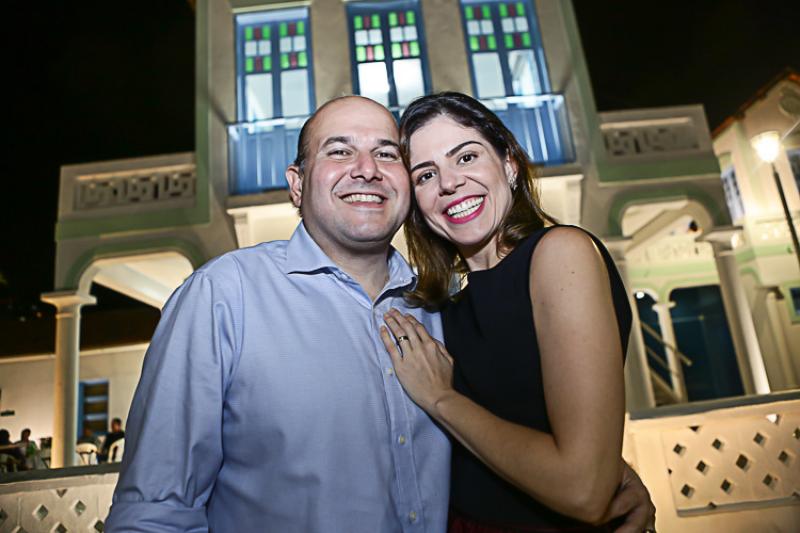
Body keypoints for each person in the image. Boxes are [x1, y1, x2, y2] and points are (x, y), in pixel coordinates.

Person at [106, 95, 653, 533]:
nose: (366, 170)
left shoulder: (433, 306)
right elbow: (155, 508)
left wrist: (607, 472)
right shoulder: (223, 296)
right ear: (297, 184)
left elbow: (527, 421)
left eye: (387, 154)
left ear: (509, 164)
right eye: (339, 151)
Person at [379, 92, 650, 532]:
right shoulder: (444, 308)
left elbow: (583, 490)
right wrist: (616, 468)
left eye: (466, 157)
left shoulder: (560, 253)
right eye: (426, 174)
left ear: (509, 163)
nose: (449, 183)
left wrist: (442, 399)